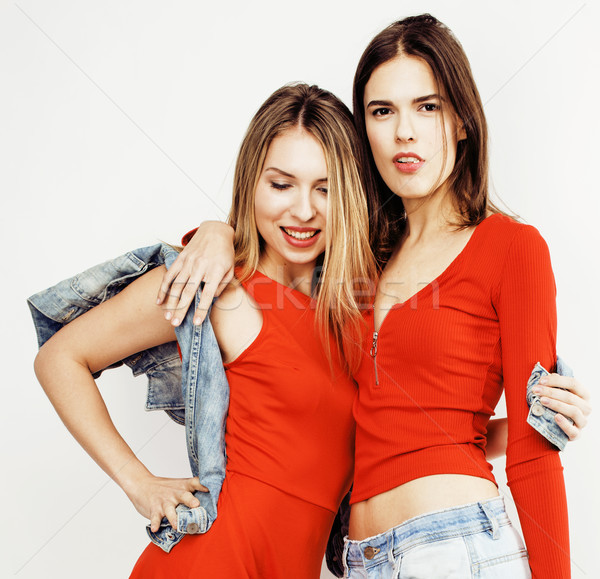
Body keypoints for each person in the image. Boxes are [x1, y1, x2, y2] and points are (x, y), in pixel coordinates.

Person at [164, 15, 591, 578]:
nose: (404, 132)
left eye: (428, 106)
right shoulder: (355, 262)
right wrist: (216, 233)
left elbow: (535, 462)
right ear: (363, 129)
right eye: (382, 111)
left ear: (462, 121)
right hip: (360, 560)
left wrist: (540, 425)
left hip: (457, 546)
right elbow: (383, 419)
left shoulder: (512, 248)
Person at [31, 83, 378, 578]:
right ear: (250, 184)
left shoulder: (352, 314)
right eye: (281, 185)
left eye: (326, 188)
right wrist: (138, 482)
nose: (304, 210)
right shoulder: (215, 286)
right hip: (211, 562)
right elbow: (60, 358)